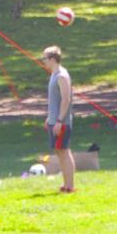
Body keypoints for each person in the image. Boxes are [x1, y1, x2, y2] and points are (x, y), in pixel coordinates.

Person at [42, 45, 76, 194]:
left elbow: (65, 99)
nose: (43, 61)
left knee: (64, 151)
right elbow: (54, 101)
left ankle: (70, 186)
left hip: (61, 122)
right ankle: (65, 184)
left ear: (52, 59)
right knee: (59, 152)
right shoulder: (53, 75)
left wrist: (59, 121)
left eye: (44, 58)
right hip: (54, 120)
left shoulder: (62, 76)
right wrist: (50, 117)